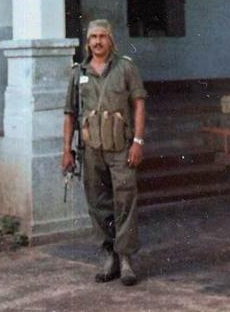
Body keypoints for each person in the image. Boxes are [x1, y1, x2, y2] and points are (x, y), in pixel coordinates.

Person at [62, 19, 147, 287]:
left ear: (111, 40)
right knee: (98, 204)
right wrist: (67, 150)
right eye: (93, 37)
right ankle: (109, 255)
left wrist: (138, 142)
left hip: (121, 148)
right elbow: (70, 114)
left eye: (102, 36)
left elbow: (139, 104)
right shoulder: (78, 73)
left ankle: (126, 260)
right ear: (87, 42)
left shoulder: (126, 68)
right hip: (91, 149)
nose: (97, 42)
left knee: (124, 202)